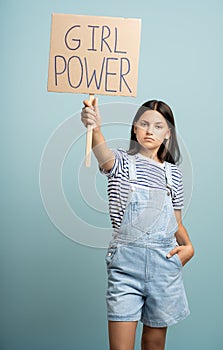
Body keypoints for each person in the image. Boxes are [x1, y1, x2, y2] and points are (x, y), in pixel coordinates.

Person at [81, 98, 194, 350]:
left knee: (154, 344)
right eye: (143, 123)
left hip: (164, 265)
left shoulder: (173, 173)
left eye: (157, 126)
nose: (149, 130)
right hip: (126, 268)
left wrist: (189, 247)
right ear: (134, 128)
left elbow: (176, 222)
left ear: (168, 133)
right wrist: (95, 127)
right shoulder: (119, 162)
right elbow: (102, 152)